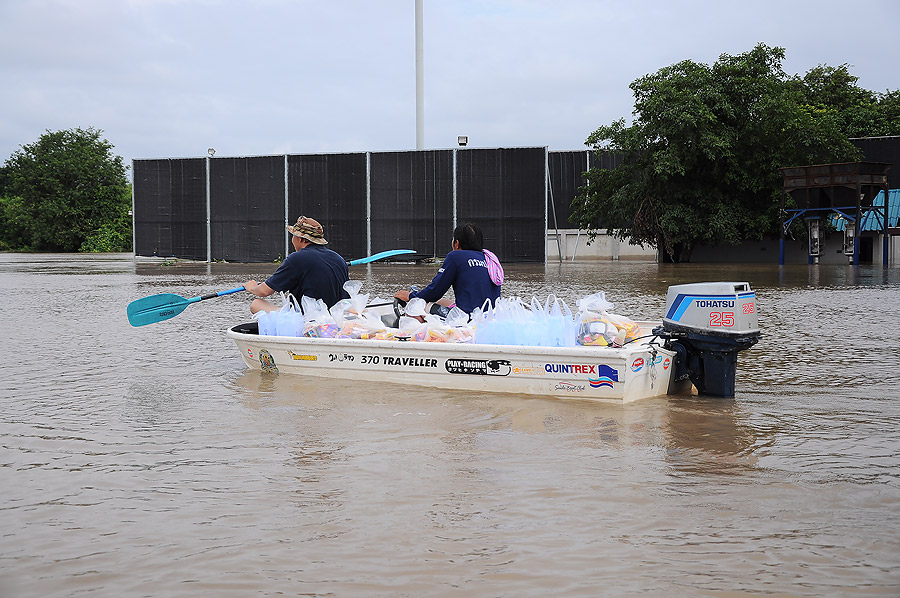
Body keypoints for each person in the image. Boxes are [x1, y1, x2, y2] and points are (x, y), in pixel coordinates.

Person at [244, 216, 349, 313]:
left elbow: (264, 291)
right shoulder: (338, 258)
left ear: (300, 239)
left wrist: (252, 287)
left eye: (293, 236)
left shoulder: (297, 258)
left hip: (309, 320)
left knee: (256, 304)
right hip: (338, 317)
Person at [395, 222, 502, 315]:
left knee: (417, 307)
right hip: (489, 317)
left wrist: (411, 297)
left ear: (457, 243)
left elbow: (435, 292)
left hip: (467, 319)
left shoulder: (455, 256)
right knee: (443, 301)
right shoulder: (490, 258)